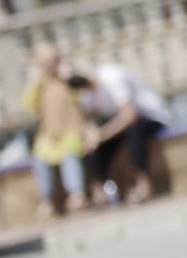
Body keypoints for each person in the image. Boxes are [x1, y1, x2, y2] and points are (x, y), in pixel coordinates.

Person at [71, 63, 173, 205]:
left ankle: (143, 185)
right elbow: (90, 120)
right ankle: (99, 190)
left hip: (151, 117)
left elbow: (130, 115)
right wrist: (92, 135)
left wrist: (103, 134)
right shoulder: (85, 93)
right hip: (122, 124)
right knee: (92, 145)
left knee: (134, 132)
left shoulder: (112, 78)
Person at [19, 44, 88, 217]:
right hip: (49, 135)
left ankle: (76, 195)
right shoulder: (41, 85)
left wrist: (68, 77)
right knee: (40, 158)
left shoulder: (67, 81)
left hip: (71, 132)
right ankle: (46, 200)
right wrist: (35, 82)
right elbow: (28, 105)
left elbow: (84, 97)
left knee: (70, 157)